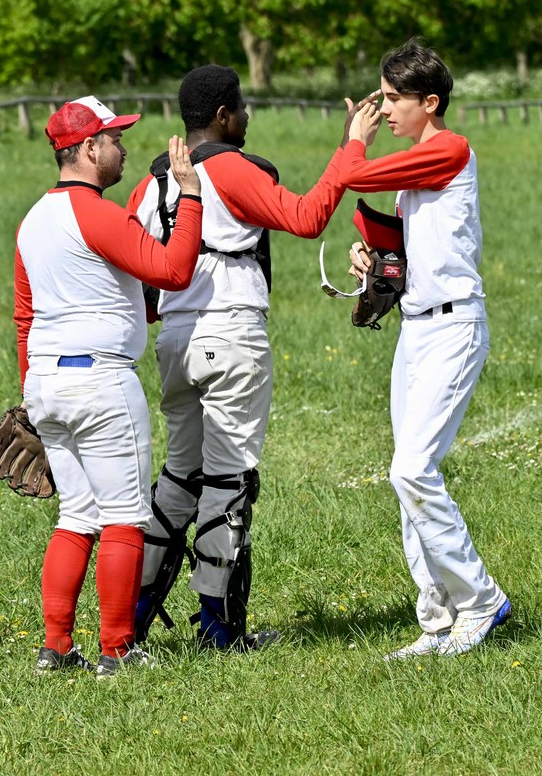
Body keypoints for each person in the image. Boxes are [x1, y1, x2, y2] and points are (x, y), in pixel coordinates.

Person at [125, 65, 371, 652]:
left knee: (180, 476)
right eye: (241, 107)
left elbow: (140, 276)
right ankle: (218, 625)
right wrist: (352, 147)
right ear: (220, 116)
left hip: (174, 342)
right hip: (230, 333)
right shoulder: (230, 167)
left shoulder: (151, 181)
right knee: (229, 478)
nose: (248, 115)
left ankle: (128, 615)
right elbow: (306, 218)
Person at [14, 97, 204, 677]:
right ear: (89, 149)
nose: (122, 148)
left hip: (46, 379)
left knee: (76, 515)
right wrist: (191, 194)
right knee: (124, 516)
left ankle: (57, 646)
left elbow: (26, 315)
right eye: (114, 139)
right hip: (99, 379)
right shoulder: (96, 213)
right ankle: (118, 650)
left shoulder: (32, 218)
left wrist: (30, 396)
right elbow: (174, 271)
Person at [340, 38, 511, 660]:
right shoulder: (417, 163)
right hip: (416, 328)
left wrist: (353, 138)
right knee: (407, 477)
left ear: (429, 102)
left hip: (453, 329)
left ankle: (481, 600)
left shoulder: (448, 148)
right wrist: (376, 261)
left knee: (412, 470)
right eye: (380, 99)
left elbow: (351, 172)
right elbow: (414, 255)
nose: (382, 108)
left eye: (391, 98)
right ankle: (438, 619)